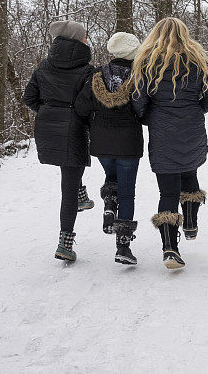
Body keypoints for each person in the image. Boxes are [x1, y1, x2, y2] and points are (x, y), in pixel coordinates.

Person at [131, 17, 208, 270]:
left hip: (162, 133)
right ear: (184, 34)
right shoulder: (197, 61)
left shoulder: (146, 62)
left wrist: (154, 118)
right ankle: (190, 221)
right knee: (190, 171)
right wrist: (193, 109)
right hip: (191, 129)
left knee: (168, 191)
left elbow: (138, 104)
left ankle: (170, 249)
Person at [23, 20, 94, 262]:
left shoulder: (44, 66)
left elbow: (29, 97)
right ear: (77, 40)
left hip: (47, 126)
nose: (87, 39)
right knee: (69, 187)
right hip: (74, 128)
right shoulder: (86, 70)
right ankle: (65, 243)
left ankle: (82, 195)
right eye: (84, 36)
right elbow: (88, 107)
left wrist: (47, 111)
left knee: (70, 178)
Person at [74, 32, 143, 265]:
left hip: (102, 144)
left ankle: (109, 207)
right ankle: (123, 246)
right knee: (128, 191)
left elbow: (81, 108)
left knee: (111, 175)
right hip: (129, 144)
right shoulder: (138, 77)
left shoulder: (95, 77)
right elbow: (144, 111)